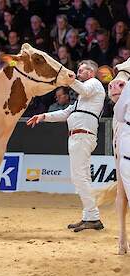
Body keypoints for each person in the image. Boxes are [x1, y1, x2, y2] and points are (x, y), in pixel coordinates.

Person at [27, 60, 105, 232]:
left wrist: (70, 80)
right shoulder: (82, 98)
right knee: (82, 178)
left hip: (82, 136)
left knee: (79, 178)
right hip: (79, 136)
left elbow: (82, 89)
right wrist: (43, 116)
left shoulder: (94, 83)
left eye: (81, 70)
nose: (78, 72)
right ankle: (89, 216)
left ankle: (92, 217)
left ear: (91, 72)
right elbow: (65, 113)